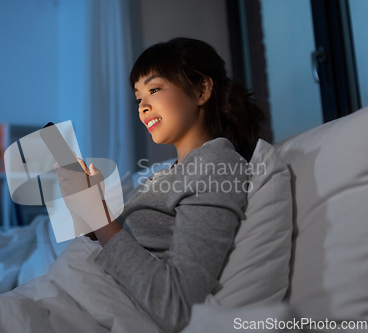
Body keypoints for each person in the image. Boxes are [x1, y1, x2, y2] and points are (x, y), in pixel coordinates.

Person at [55, 37, 266, 333]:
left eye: (154, 89)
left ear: (202, 89)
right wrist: (90, 207)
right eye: (138, 98)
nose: (142, 107)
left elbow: (176, 306)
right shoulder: (172, 173)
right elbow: (124, 249)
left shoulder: (218, 165)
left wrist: (98, 215)